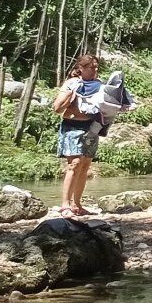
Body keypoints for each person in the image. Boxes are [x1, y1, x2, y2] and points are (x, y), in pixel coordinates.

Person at [50, 51, 108, 216]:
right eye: (91, 68)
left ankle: (77, 204)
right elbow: (57, 108)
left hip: (91, 128)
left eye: (96, 67)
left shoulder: (99, 84)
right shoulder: (72, 83)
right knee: (74, 164)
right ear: (81, 68)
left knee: (84, 166)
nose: (94, 71)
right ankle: (65, 205)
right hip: (72, 127)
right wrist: (70, 96)